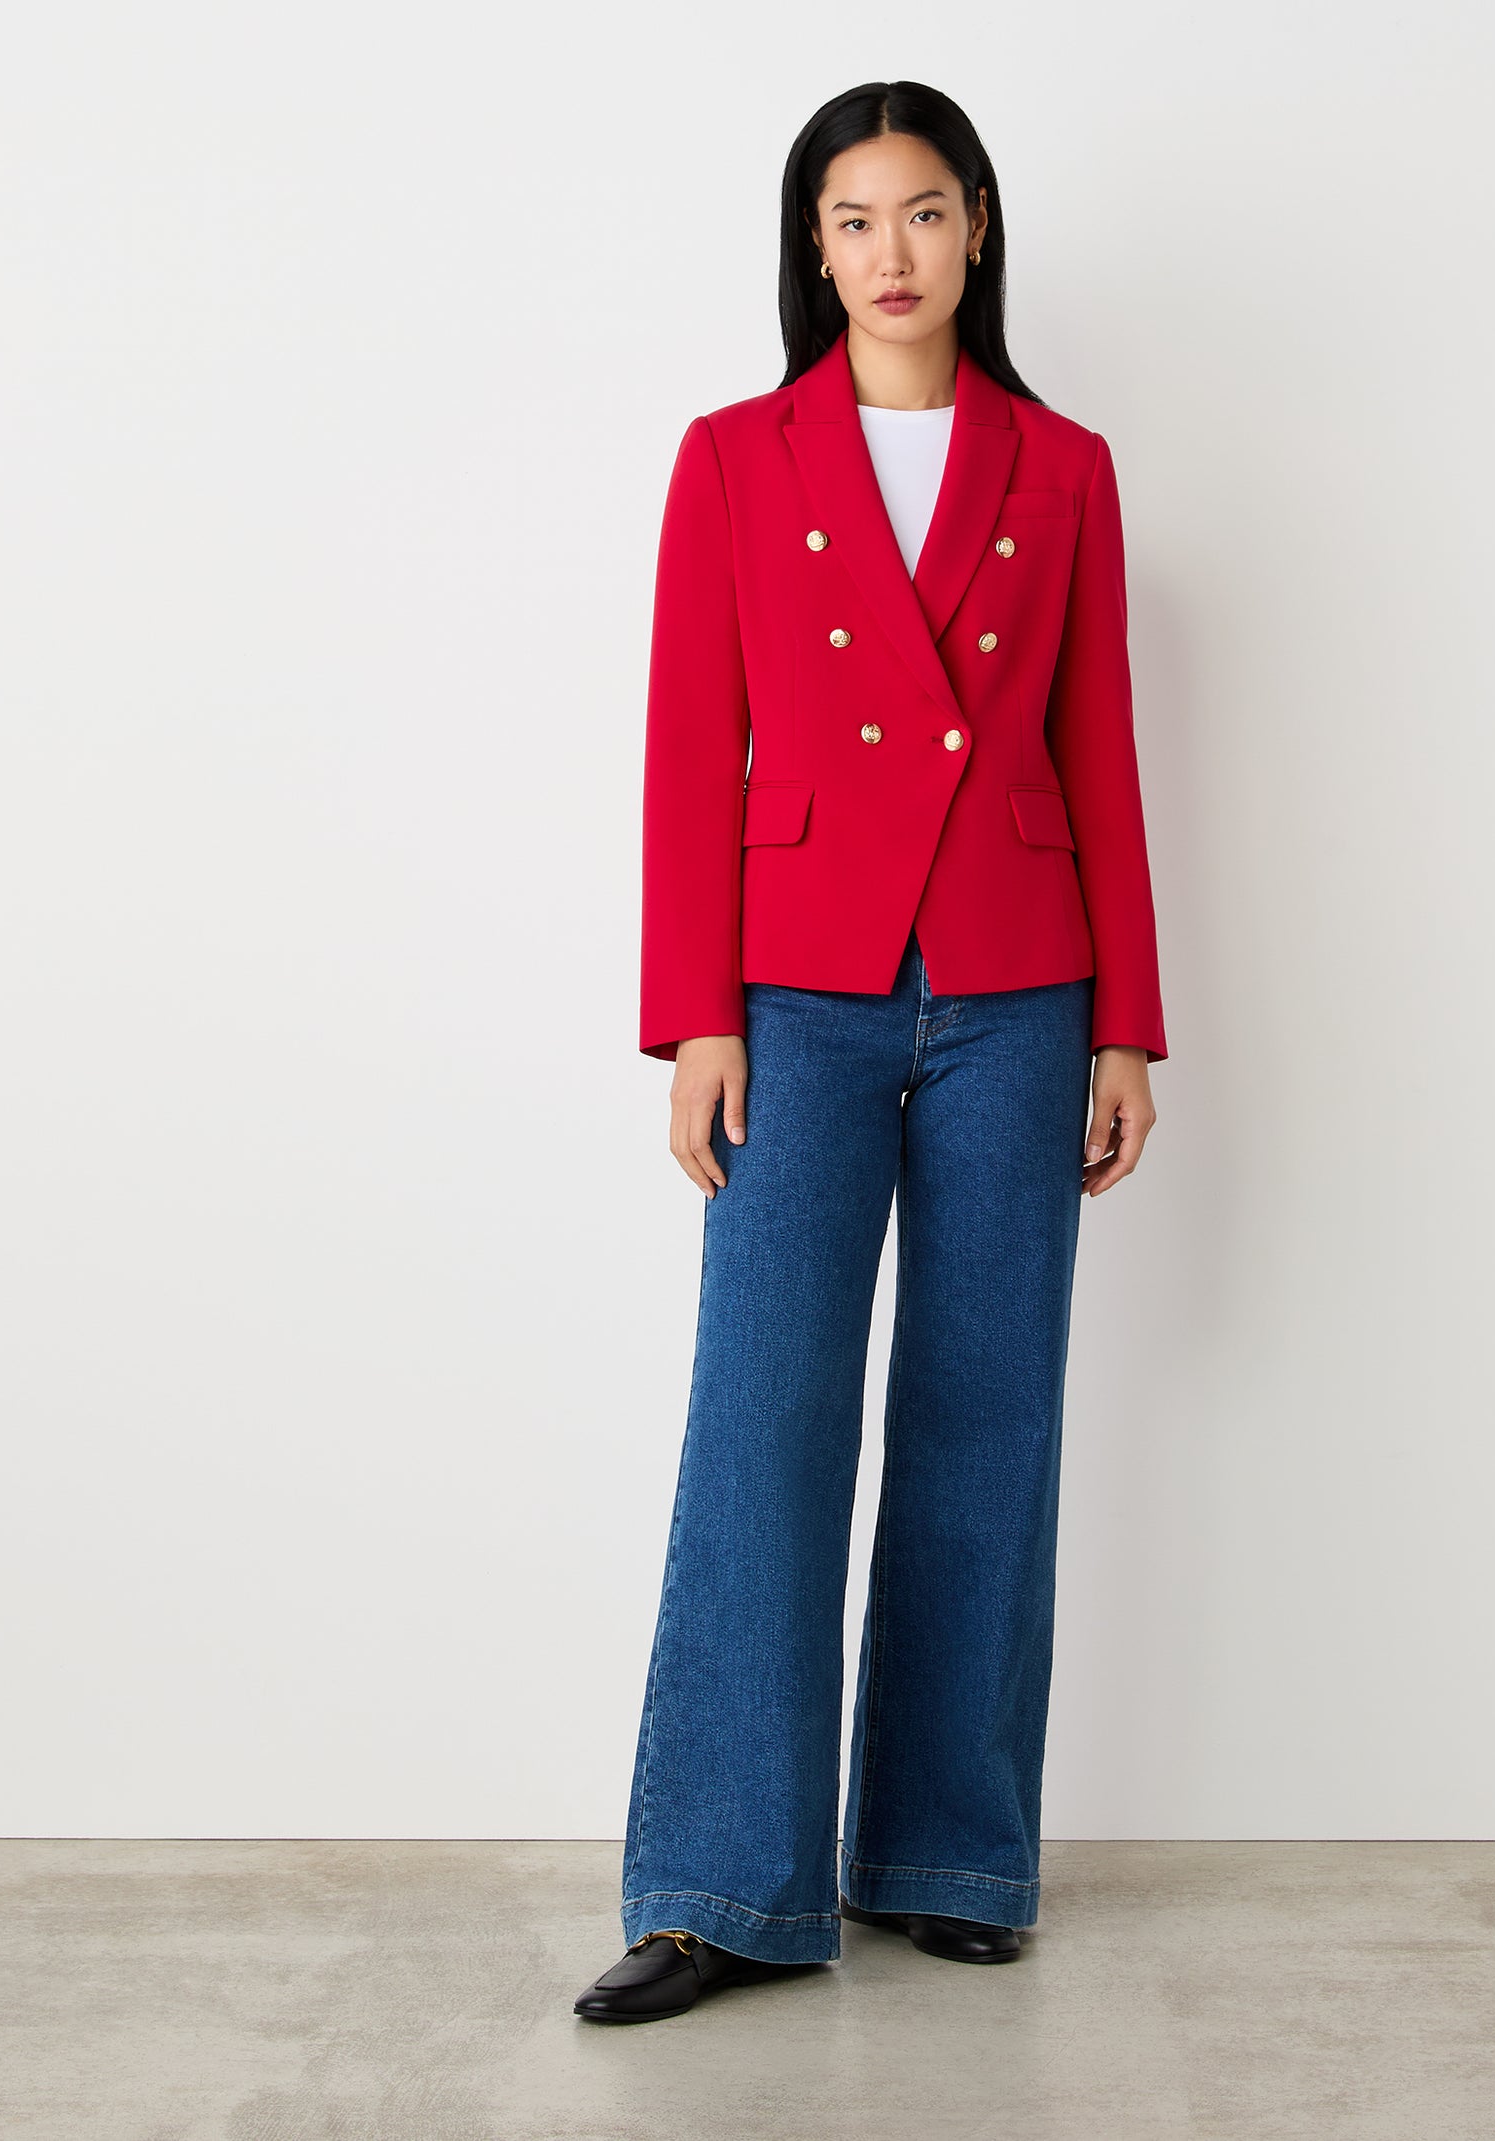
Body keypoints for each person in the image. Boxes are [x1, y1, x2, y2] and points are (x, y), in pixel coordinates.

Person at [574, 78, 1168, 2025]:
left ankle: (948, 1855)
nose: (889, 252)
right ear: (811, 248)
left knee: (989, 1412)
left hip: (1018, 984)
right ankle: (720, 1886)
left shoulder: (1061, 466)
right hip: (797, 990)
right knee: (762, 1417)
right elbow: (687, 747)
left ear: (976, 224)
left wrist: (1126, 1026)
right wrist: (695, 1017)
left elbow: (1098, 748)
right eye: (851, 219)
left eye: (921, 211)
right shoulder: (734, 458)